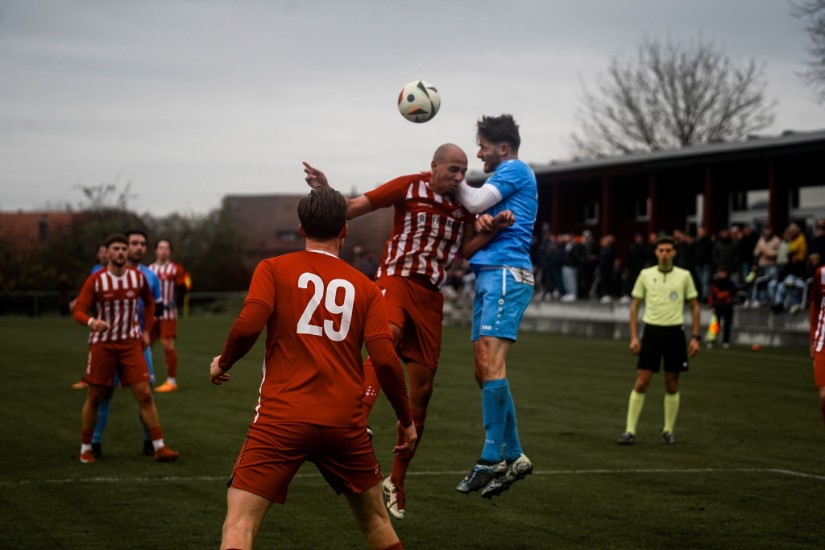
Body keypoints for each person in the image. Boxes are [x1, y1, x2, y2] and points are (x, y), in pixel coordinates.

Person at [303, 143, 513, 520]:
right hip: (395, 280)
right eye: (453, 169)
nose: (459, 177)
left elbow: (466, 249)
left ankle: (395, 481)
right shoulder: (408, 186)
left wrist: (494, 228)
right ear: (433, 166)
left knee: (423, 392)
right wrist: (324, 190)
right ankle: (355, 421)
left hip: (431, 297)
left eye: (463, 171)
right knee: (390, 334)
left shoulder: (464, 205)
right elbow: (352, 207)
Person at [209, 187, 417, 550]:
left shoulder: (273, 269)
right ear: (345, 230)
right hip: (344, 424)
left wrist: (223, 362)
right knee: (376, 523)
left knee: (239, 526)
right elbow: (384, 359)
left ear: (301, 229)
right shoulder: (366, 288)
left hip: (282, 418)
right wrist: (406, 419)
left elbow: (247, 326)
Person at [452, 114, 537, 499]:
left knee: (491, 363)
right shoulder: (505, 178)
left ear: (503, 149)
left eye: (483, 145)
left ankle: (491, 458)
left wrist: (450, 176)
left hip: (507, 272)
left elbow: (471, 199)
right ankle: (515, 455)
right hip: (490, 274)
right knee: (481, 370)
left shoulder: (515, 169)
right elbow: (480, 208)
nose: (478, 153)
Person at [72, 233, 179, 464]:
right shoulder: (96, 279)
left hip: (131, 344)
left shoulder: (138, 277)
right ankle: (86, 447)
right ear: (108, 252)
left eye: (123, 249)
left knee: (145, 394)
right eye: (116, 249)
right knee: (96, 395)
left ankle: (159, 446)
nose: (120, 252)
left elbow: (150, 303)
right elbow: (78, 309)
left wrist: (147, 331)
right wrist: (92, 322)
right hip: (103, 345)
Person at [618, 235, 700, 445]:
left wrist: (695, 338)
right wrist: (634, 337)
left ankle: (668, 430)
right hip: (652, 332)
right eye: (661, 250)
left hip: (675, 333)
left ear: (674, 253)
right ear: (656, 252)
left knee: (672, 383)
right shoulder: (646, 274)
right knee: (642, 380)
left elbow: (695, 306)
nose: (664, 254)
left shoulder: (684, 276)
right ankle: (629, 431)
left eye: (668, 250)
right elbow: (634, 306)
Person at [91, 229, 163, 458]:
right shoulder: (100, 273)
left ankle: (150, 443)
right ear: (123, 247)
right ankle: (94, 443)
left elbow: (156, 308)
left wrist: (148, 334)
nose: (138, 247)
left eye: (142, 243)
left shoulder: (150, 276)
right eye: (133, 243)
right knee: (104, 393)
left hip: (139, 344)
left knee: (145, 393)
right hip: (108, 343)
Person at [149, 238, 188, 392]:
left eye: (166, 248)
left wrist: (173, 303)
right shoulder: (149, 269)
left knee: (167, 344)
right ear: (156, 250)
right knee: (146, 345)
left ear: (170, 252)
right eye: (161, 248)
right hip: (150, 314)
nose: (163, 251)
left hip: (168, 314)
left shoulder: (176, 269)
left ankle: (171, 380)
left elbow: (182, 289)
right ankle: (144, 376)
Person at [71, 243, 111, 390]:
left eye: (107, 251)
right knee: (95, 345)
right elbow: (89, 292)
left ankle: (93, 378)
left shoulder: (120, 271)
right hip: (99, 316)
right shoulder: (95, 271)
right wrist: (78, 302)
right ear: (97, 255)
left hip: (113, 315)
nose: (105, 255)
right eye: (102, 252)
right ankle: (89, 378)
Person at [807, 257, 825, 429]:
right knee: (824, 395)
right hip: (823, 341)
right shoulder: (821, 273)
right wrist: (812, 339)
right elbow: (815, 306)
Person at [708, 265, 736, 349]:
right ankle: (712, 340)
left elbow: (731, 293)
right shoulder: (715, 282)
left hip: (727, 306)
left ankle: (726, 341)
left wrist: (723, 295)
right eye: (720, 272)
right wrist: (712, 305)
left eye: (723, 272)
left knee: (727, 324)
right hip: (718, 306)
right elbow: (713, 295)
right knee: (715, 324)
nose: (722, 274)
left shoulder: (730, 283)